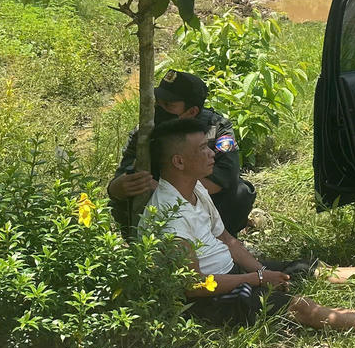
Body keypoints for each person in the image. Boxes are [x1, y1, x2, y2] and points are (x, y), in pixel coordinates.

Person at [142, 117, 355, 333]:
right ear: (178, 161)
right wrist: (255, 280)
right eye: (203, 148)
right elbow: (193, 286)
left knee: (305, 268)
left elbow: (228, 239)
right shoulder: (167, 216)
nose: (213, 153)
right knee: (299, 306)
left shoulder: (195, 187)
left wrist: (261, 270)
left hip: (231, 272)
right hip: (212, 298)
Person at [108, 70, 256, 236]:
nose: (159, 109)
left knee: (241, 192)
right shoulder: (144, 132)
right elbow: (118, 182)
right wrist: (119, 187)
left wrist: (165, 189)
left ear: (192, 111)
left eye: (168, 105)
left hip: (199, 201)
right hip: (158, 210)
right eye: (158, 102)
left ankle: (218, 242)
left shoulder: (216, 128)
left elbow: (224, 180)